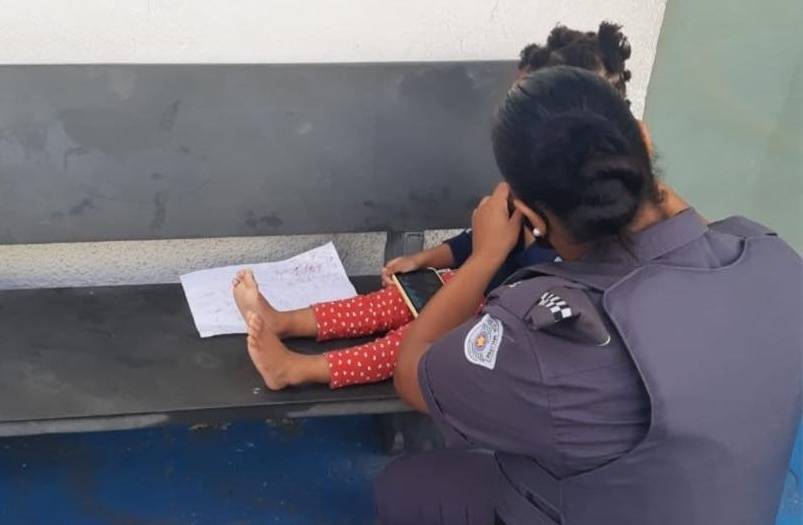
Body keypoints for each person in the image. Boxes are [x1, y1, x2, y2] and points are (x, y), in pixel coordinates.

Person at [371, 66, 801, 524]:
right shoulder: (776, 261)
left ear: (532, 217)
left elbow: (413, 375)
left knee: (403, 485)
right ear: (644, 140)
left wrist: (484, 256)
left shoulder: (551, 340)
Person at [233, 22, 634, 390]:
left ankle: (296, 370)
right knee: (388, 301)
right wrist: (425, 259)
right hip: (465, 287)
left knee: (406, 342)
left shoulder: (590, 232)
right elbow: (474, 241)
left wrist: (473, 280)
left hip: (494, 329)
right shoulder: (521, 192)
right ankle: (284, 321)